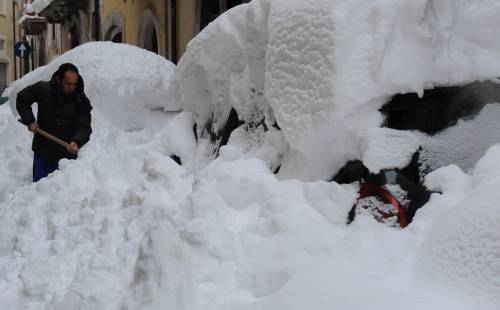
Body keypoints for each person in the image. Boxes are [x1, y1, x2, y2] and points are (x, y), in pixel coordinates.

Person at [16, 63, 92, 182]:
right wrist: (30, 121)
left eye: (74, 84)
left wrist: (77, 141)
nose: (72, 88)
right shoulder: (43, 89)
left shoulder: (80, 100)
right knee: (39, 191)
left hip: (65, 159)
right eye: (68, 84)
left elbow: (84, 126)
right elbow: (22, 99)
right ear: (59, 79)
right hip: (42, 153)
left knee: (60, 194)